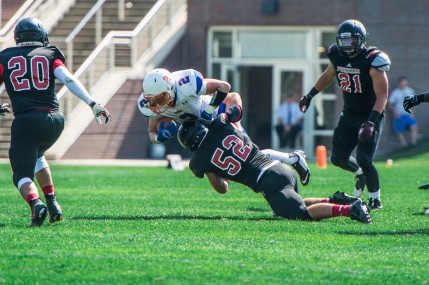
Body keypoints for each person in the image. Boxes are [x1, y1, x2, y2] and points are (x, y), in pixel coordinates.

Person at [0, 17, 111, 226]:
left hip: (27, 120)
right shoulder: (50, 54)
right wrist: (92, 103)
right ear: (41, 35)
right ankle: (52, 203)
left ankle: (36, 204)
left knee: (21, 175)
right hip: (54, 121)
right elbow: (68, 79)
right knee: (38, 156)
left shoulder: (5, 57)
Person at [177, 105, 372, 223]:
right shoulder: (220, 123)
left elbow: (222, 188)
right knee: (297, 203)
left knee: (301, 215)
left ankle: (349, 210)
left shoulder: (198, 161)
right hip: (279, 168)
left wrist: (213, 171)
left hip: (267, 182)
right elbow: (236, 111)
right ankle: (336, 200)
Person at [137, 68, 311, 185]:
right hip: (198, 132)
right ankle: (293, 159)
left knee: (248, 157)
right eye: (151, 100)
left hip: (216, 116)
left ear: (170, 88)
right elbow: (152, 132)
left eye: (159, 99)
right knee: (237, 164)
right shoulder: (150, 104)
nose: (155, 105)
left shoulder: (186, 82)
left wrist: (210, 109)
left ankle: (293, 159)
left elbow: (225, 87)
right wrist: (160, 137)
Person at [299, 19, 391, 210]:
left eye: (351, 41)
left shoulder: (373, 59)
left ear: (361, 39)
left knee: (365, 158)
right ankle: (360, 175)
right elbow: (328, 75)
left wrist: (371, 123)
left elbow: (382, 96)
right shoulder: (336, 55)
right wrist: (310, 95)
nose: (347, 46)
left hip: (370, 114)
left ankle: (375, 199)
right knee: (338, 158)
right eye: (344, 41)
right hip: (349, 113)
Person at [388, 76, 418, 146]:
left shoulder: (410, 91)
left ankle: (414, 144)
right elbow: (390, 104)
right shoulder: (396, 92)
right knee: (399, 131)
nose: (403, 83)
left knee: (414, 126)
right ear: (399, 83)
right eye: (402, 82)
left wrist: (413, 113)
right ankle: (404, 145)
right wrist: (395, 112)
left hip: (408, 114)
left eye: (404, 82)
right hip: (399, 114)